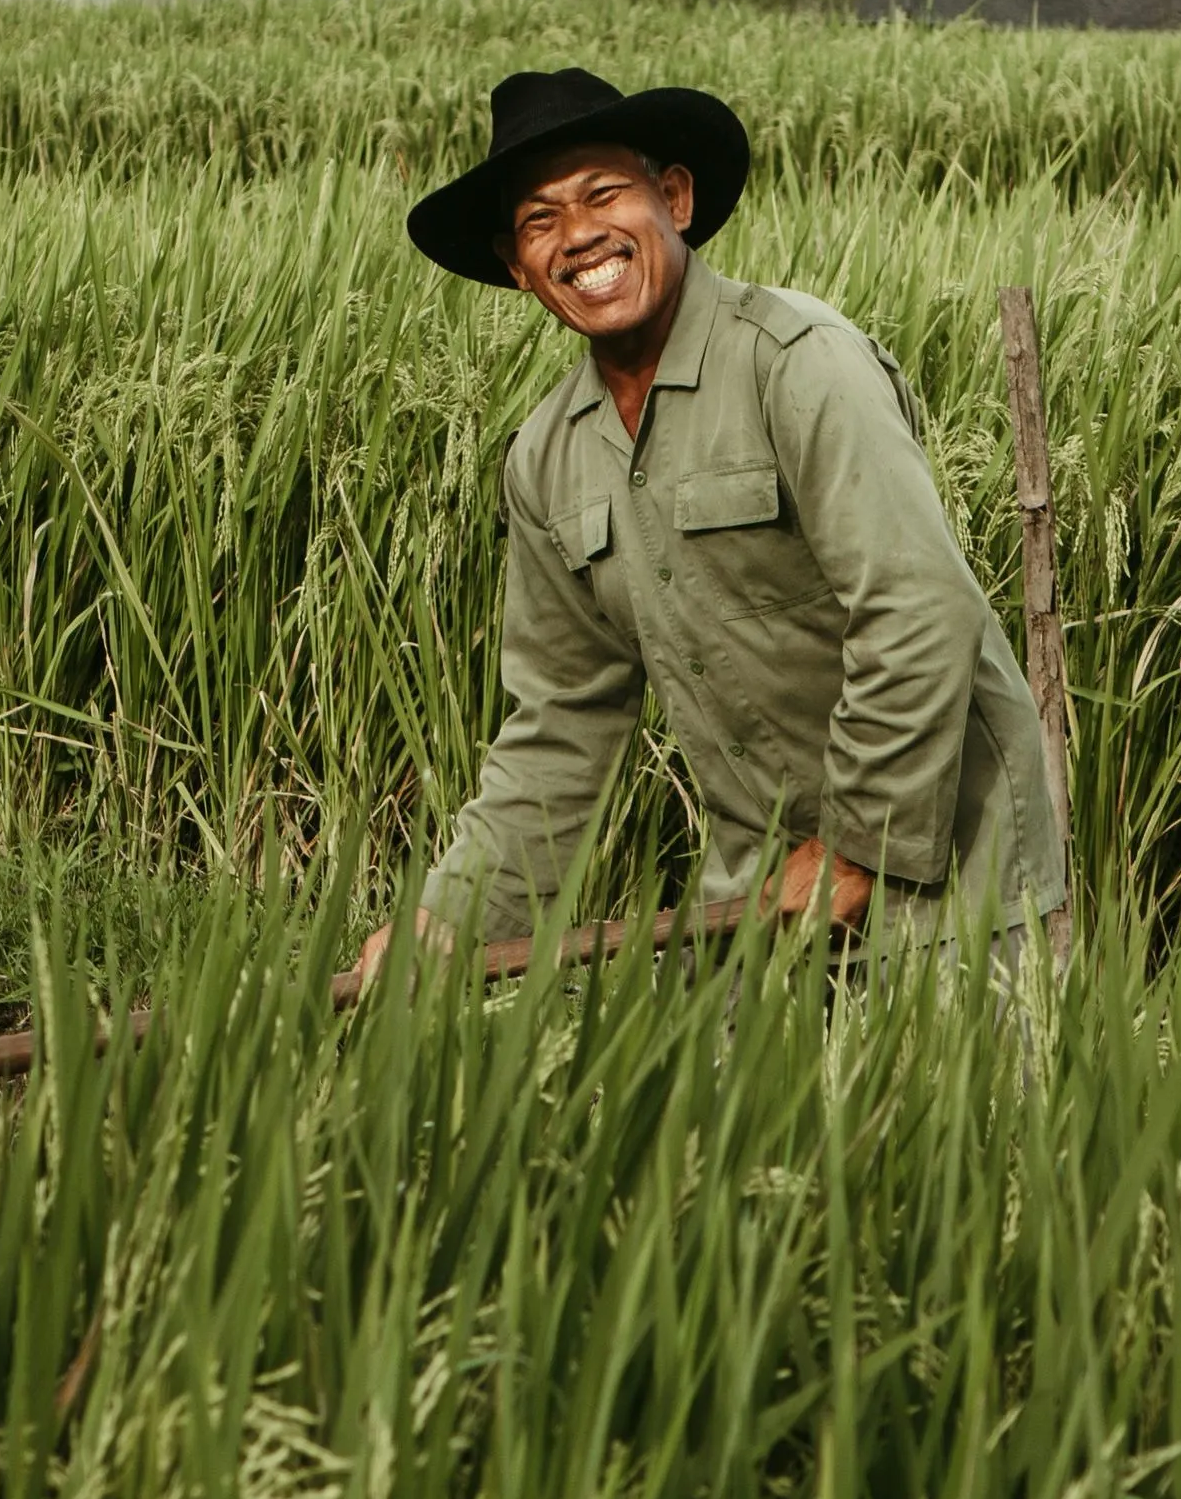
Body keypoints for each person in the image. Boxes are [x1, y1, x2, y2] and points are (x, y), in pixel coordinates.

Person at [354, 67, 1065, 983]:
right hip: (760, 893)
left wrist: (857, 846)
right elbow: (563, 721)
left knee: (968, 1126)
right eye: (540, 221)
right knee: (738, 1124)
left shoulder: (797, 363)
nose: (579, 237)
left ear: (675, 199)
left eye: (604, 194)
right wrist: (450, 918)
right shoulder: (546, 457)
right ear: (515, 266)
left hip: (954, 884)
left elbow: (918, 606)